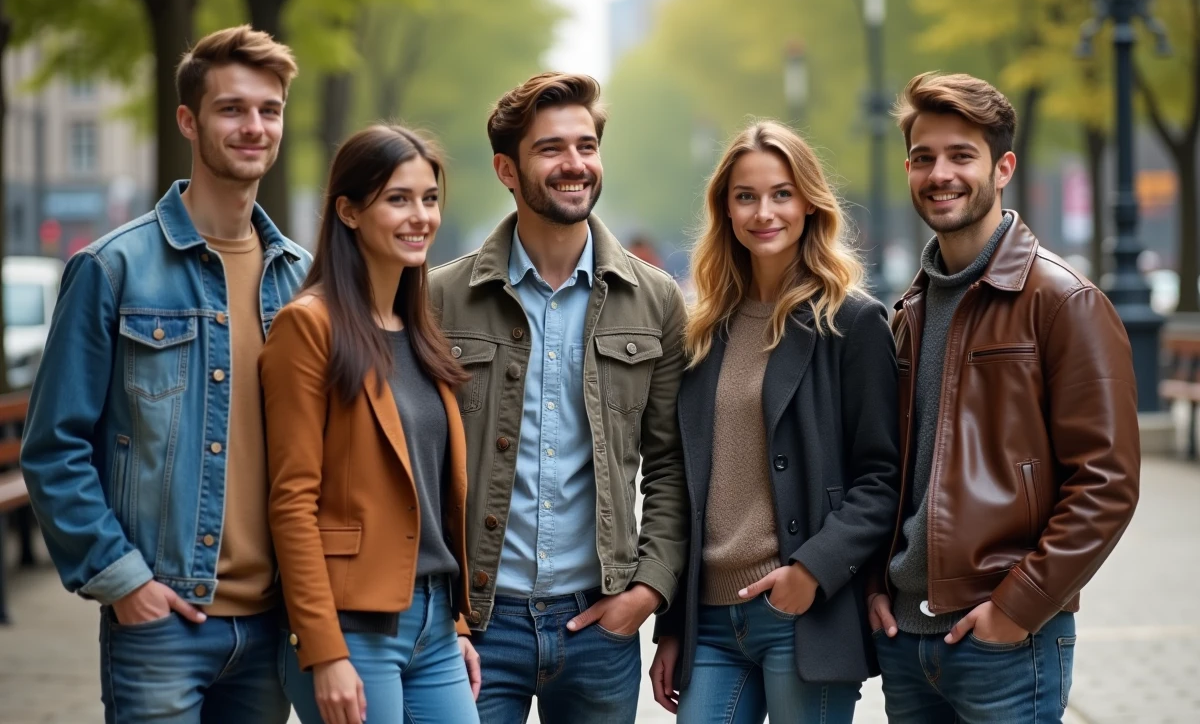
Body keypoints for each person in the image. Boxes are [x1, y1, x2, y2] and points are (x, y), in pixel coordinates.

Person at [20, 25, 307, 723]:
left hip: (276, 626)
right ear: (188, 120)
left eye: (269, 110)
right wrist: (123, 582)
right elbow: (54, 446)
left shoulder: (302, 277)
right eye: (231, 109)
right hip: (163, 620)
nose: (254, 126)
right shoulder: (111, 268)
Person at [867, 71, 1141, 723]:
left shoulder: (1063, 301)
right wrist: (875, 584)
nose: (941, 174)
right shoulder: (908, 311)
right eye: (924, 158)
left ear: (1003, 168)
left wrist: (1018, 608)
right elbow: (891, 469)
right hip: (906, 642)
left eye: (962, 156)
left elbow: (1107, 482)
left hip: (1006, 643)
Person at [428, 72, 688, 723]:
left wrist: (648, 589)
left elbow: (670, 463)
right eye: (550, 148)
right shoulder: (439, 299)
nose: (574, 163)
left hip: (600, 624)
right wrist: (442, 617)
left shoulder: (655, 300)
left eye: (586, 146)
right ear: (506, 170)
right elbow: (415, 467)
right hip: (478, 626)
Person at [648, 121, 901, 722]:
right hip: (711, 622)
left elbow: (883, 477)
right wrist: (674, 624)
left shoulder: (851, 323)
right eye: (746, 196)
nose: (764, 212)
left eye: (781, 194)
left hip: (803, 612)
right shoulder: (704, 330)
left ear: (809, 203)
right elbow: (686, 484)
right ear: (726, 209)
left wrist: (812, 570)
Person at [261, 125, 480, 724]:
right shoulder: (309, 326)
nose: (420, 216)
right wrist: (323, 648)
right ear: (349, 212)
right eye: (398, 199)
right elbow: (291, 501)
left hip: (435, 625)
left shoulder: (420, 331)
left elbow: (431, 498)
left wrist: (456, 624)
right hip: (352, 629)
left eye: (429, 198)